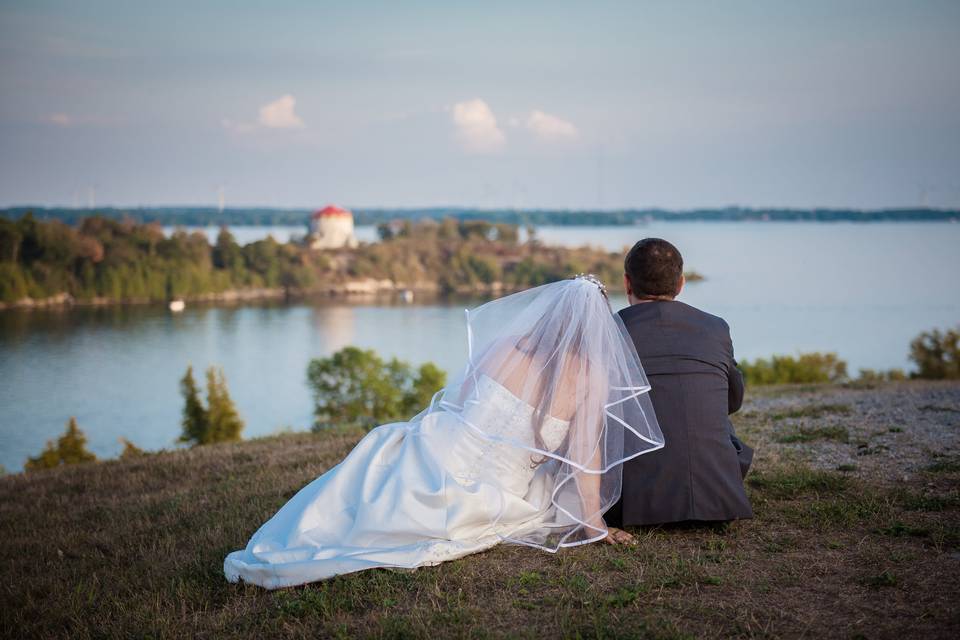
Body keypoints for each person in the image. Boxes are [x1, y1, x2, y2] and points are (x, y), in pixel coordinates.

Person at [224, 275, 664, 589]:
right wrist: (593, 523)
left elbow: (461, 401)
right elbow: (585, 457)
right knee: (540, 489)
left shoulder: (507, 348)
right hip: (500, 484)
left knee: (375, 473)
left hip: (440, 448)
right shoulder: (590, 380)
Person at [605, 238, 754, 529]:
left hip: (633, 501)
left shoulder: (611, 329)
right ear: (681, 283)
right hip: (716, 496)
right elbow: (732, 401)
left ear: (626, 283)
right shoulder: (715, 327)